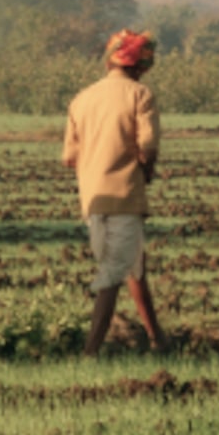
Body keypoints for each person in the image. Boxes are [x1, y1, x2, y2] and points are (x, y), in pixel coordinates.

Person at [61, 29, 165, 355]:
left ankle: (158, 340)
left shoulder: (81, 99)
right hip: (124, 197)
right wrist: (146, 173)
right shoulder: (140, 95)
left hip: (92, 202)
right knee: (113, 274)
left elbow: (69, 158)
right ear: (140, 66)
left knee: (134, 267)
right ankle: (89, 354)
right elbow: (147, 147)